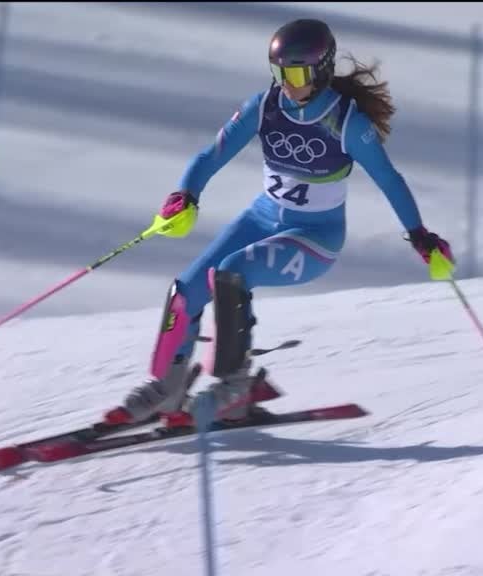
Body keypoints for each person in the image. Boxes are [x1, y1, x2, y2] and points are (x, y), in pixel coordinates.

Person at [104, 18, 454, 426]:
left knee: (232, 273)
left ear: (320, 70)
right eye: (278, 72)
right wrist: (185, 195)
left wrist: (419, 236)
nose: (285, 83)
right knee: (185, 290)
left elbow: (390, 181)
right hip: (261, 219)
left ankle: (234, 385)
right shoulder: (264, 107)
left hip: (314, 239)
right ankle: (168, 387)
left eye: (294, 73)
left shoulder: (347, 123)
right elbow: (209, 155)